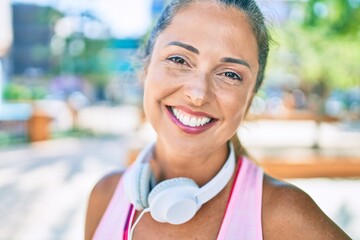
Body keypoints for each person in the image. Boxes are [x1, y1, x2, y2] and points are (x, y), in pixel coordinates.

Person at [85, 0, 351, 239]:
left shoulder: (285, 216)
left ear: (249, 99)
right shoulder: (106, 195)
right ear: (145, 69)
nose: (198, 94)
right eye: (179, 59)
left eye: (230, 75)